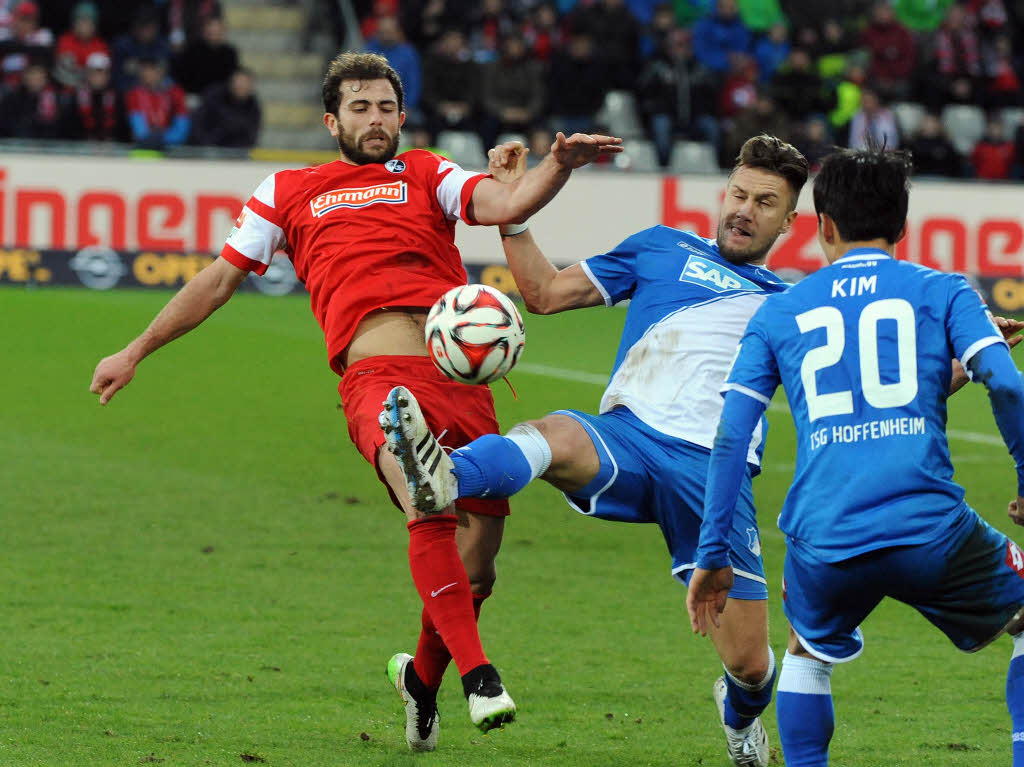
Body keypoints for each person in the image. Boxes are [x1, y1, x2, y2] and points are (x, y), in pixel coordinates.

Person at [89, 52, 621, 753]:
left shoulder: (427, 172)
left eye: (385, 108)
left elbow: (505, 202)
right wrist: (135, 349)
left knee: (480, 563)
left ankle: (421, 684)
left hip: (459, 379)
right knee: (425, 497)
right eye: (360, 108)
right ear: (330, 119)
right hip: (377, 381)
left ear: (402, 115)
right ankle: (479, 674)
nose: (375, 120)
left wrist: (559, 165)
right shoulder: (288, 188)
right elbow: (217, 280)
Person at [380, 134, 811, 767]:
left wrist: (956, 358)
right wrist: (515, 215)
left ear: (789, 220)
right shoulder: (661, 247)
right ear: (724, 194)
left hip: (714, 479)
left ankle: (739, 711)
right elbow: (545, 293)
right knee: (551, 433)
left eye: (766, 202)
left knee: (750, 666)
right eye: (739, 194)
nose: (745, 210)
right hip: (627, 438)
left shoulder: (791, 305)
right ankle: (446, 475)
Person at [687, 146, 1024, 766]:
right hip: (931, 532)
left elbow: (731, 437)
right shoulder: (947, 290)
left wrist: (712, 555)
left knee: (806, 652)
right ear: (902, 230)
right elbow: (1008, 385)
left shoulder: (780, 310)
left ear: (824, 227)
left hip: (825, 540)